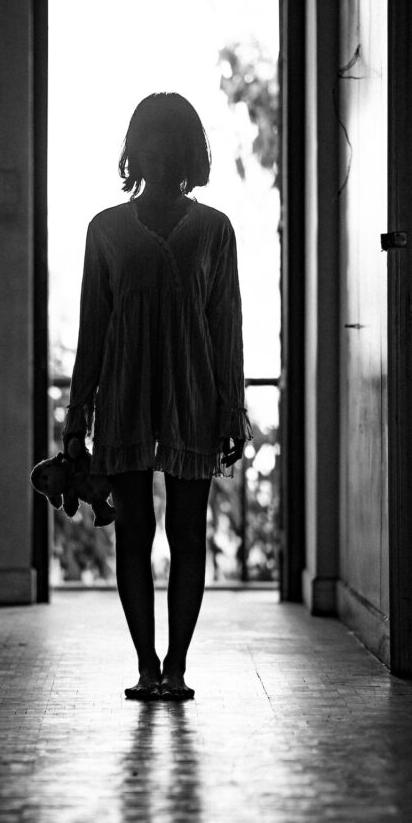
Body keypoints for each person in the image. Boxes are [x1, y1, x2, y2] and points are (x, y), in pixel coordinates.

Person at [62, 92, 252, 701]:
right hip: (124, 396)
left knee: (189, 532)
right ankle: (146, 664)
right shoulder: (105, 231)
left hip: (195, 396)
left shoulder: (216, 231)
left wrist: (233, 408)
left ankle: (177, 667)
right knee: (135, 529)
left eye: (169, 142)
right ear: (133, 149)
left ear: (188, 152)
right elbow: (93, 328)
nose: (158, 152)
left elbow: (227, 324)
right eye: (148, 139)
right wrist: (75, 419)